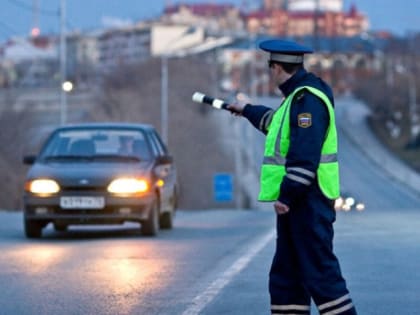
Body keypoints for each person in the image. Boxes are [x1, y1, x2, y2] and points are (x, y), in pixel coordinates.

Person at [227, 39, 357, 315]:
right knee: (287, 277)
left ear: (275, 68)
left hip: (307, 201)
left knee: (321, 274)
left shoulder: (307, 99)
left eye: (270, 68)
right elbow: (276, 125)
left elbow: (304, 153)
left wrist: (287, 196)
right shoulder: (297, 98)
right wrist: (247, 109)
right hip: (301, 203)